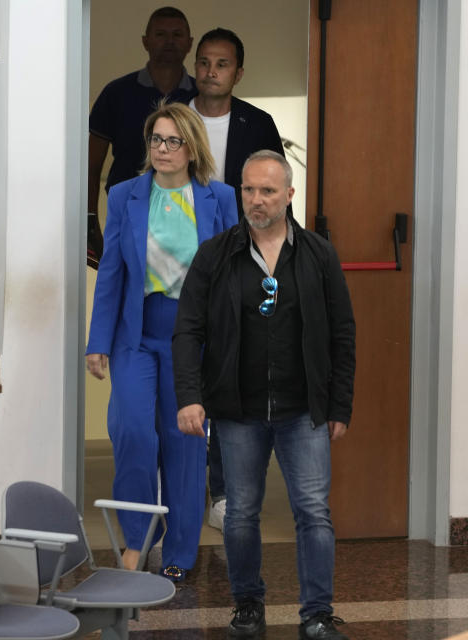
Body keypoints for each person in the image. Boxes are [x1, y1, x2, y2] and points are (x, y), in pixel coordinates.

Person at [172, 150, 355, 639]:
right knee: (240, 514)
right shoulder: (215, 254)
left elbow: (342, 333)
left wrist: (340, 404)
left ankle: (316, 612)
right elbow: (187, 330)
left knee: (313, 513)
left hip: (304, 412)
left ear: (290, 195)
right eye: (248, 190)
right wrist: (189, 396)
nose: (255, 199)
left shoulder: (318, 255)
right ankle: (247, 604)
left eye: (267, 191)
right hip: (237, 410)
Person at [86, 101, 237, 582]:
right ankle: (136, 540)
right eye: (156, 139)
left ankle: (180, 551)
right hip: (136, 334)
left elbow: (234, 277)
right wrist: (98, 341)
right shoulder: (128, 194)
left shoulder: (221, 197)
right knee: (132, 430)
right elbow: (110, 273)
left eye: (173, 141)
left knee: (184, 441)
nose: (162, 149)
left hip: (193, 339)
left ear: (192, 148)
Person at [188, 27, 287, 532]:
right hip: (182, 263)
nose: (211, 71)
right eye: (204, 61)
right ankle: (182, 489)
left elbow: (272, 194)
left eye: (222, 63)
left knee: (230, 374)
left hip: (241, 262)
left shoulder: (258, 123)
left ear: (238, 72)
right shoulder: (175, 119)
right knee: (185, 374)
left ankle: (223, 490)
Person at [87, 6, 196, 268]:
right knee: (126, 296)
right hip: (126, 215)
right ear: (145, 41)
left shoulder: (200, 98)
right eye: (160, 34)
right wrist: (90, 223)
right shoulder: (116, 93)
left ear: (190, 43)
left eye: (177, 34)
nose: (169, 41)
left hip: (186, 218)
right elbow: (90, 168)